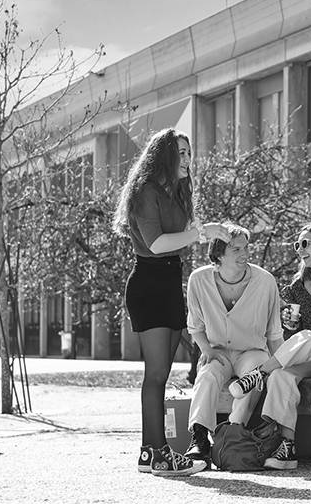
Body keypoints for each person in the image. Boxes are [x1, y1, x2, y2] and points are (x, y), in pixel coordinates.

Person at [112, 127, 227, 476]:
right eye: (181, 152)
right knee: (157, 374)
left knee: (165, 372)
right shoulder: (146, 191)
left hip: (169, 281)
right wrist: (198, 234)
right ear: (164, 155)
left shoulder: (177, 192)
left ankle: (151, 454)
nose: (188, 159)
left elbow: (181, 240)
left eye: (190, 152)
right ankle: (157, 451)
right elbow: (158, 242)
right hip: (148, 283)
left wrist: (205, 231)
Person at [227, 223, 311, 470]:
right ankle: (287, 448)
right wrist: (291, 324)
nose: (299, 249)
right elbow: (293, 335)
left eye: (305, 243)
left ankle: (259, 373)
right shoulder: (296, 288)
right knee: (281, 376)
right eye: (296, 244)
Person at [182, 224, 284, 467]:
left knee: (253, 375)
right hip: (218, 350)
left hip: (252, 352)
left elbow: (274, 332)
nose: (244, 254)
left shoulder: (265, 281)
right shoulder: (199, 279)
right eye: (236, 249)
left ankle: (233, 434)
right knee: (206, 375)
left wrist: (280, 364)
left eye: (246, 247)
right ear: (218, 256)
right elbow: (195, 325)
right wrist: (206, 349)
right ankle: (199, 440)